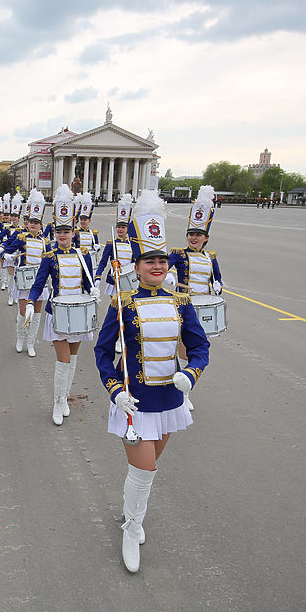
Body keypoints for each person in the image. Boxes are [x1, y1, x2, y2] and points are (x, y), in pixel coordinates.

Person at [94, 188, 210, 573]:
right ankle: (132, 528)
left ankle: (131, 513)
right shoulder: (122, 304)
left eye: (162, 259)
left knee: (144, 470)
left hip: (170, 403)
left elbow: (199, 346)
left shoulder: (181, 301)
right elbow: (102, 352)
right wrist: (114, 392)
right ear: (138, 266)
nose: (158, 266)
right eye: (150, 261)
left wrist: (191, 374)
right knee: (145, 471)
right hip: (136, 402)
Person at [25, 184, 97, 425]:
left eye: (67, 231)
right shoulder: (49, 257)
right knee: (62, 359)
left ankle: (65, 397)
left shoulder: (82, 254)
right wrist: (30, 302)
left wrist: (93, 290)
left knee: (73, 357)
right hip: (58, 311)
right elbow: (38, 284)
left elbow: (87, 281)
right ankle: (57, 402)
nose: (63, 235)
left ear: (73, 232)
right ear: (54, 233)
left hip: (78, 311)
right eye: (59, 231)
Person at [2, 188, 49, 357]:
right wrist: (5, 254)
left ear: (41, 224)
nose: (34, 224)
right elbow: (5, 248)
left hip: (39, 282)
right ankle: (20, 338)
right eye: (31, 222)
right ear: (27, 223)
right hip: (24, 281)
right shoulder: (21, 237)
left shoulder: (46, 241)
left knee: (36, 314)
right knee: (23, 312)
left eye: (37, 222)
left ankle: (31, 342)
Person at [168, 186, 222, 297]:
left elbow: (217, 278)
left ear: (206, 238)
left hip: (205, 301)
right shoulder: (178, 254)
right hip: (184, 302)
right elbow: (160, 268)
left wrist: (218, 286)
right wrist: (166, 276)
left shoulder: (210, 257)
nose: (194, 238)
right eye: (191, 235)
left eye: (198, 235)